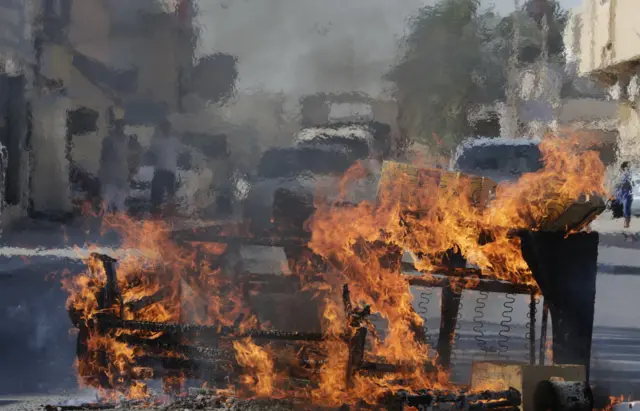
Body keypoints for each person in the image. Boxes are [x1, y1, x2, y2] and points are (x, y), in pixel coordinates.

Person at [150, 119, 181, 216]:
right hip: (160, 171)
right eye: (164, 128)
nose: (166, 130)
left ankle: (170, 213)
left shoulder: (174, 141)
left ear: (170, 129)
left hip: (170, 171)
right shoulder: (156, 142)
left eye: (168, 128)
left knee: (170, 194)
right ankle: (156, 212)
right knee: (157, 194)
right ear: (161, 129)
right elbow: (152, 153)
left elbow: (181, 151)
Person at [98, 120, 129, 213]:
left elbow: (129, 157)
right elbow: (104, 157)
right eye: (119, 126)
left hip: (122, 175)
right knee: (107, 201)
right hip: (110, 175)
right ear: (115, 127)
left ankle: (119, 222)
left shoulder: (126, 140)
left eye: (122, 126)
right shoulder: (109, 140)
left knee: (120, 202)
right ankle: (106, 221)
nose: (121, 129)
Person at [616, 161, 634, 229]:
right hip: (622, 193)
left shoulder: (628, 173)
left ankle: (627, 223)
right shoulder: (621, 173)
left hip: (628, 193)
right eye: (628, 166)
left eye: (629, 166)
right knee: (625, 209)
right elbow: (619, 183)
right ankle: (626, 222)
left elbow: (628, 181)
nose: (629, 167)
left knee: (626, 209)